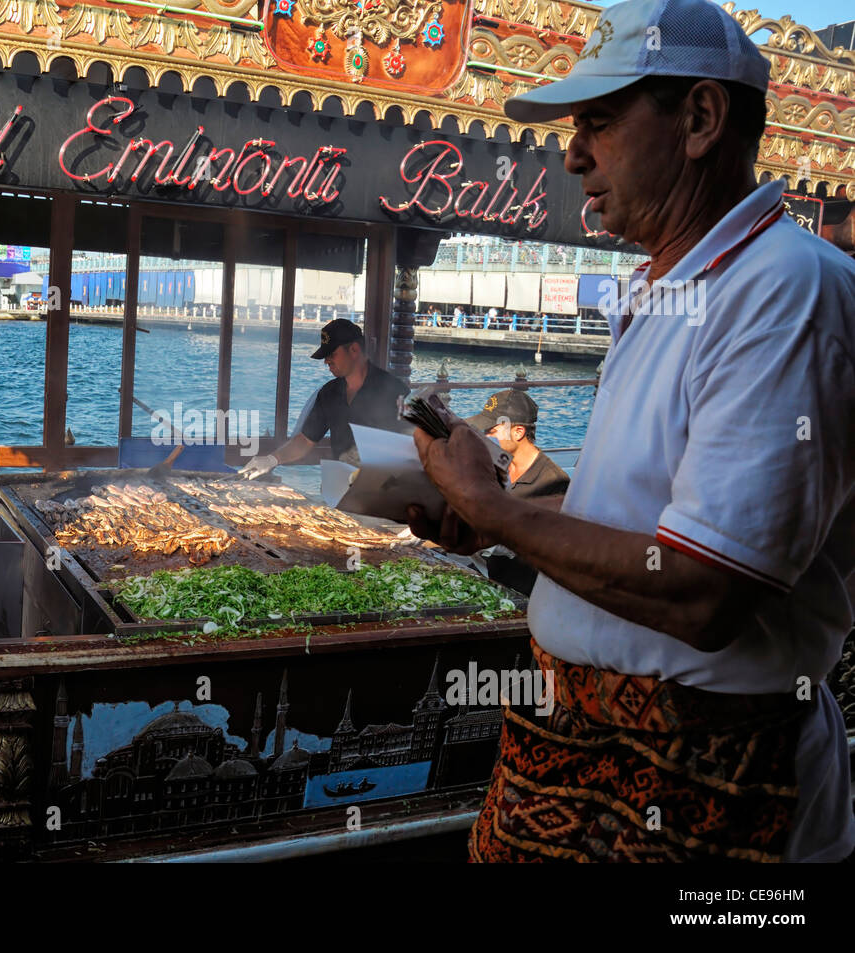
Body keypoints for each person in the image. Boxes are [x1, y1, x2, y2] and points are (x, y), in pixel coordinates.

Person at [410, 0, 855, 863]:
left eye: (601, 123)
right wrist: (492, 517)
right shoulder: (675, 289)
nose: (574, 154)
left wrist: (497, 511)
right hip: (584, 759)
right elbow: (643, 530)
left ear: (699, 118)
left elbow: (703, 591)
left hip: (707, 789)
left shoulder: (783, 291)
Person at [239, 318, 409, 477]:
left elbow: (410, 448)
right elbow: (305, 440)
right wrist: (272, 459)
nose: (326, 361)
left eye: (331, 354)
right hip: (340, 485)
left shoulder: (395, 391)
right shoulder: (329, 393)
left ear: (354, 350)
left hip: (382, 489)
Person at [465, 390, 570, 595]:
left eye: (491, 431)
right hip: (484, 573)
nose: (484, 437)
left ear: (518, 432)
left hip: (522, 590)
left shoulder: (554, 483)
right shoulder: (494, 465)